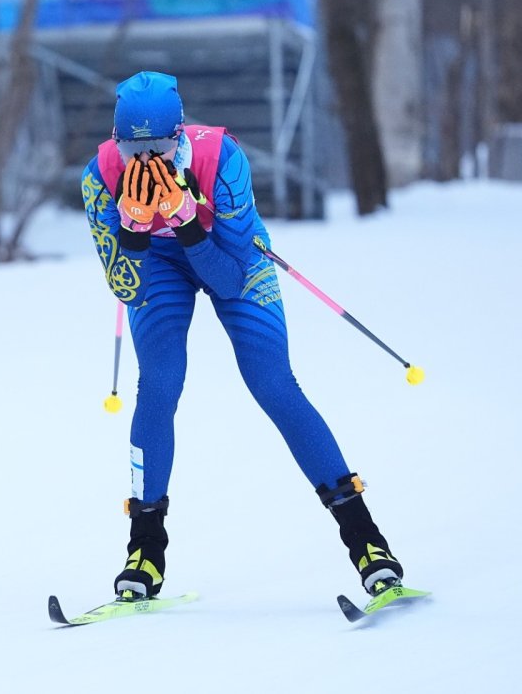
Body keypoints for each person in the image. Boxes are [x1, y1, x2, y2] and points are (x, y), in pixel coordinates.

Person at [80, 71, 404, 601]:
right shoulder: (100, 176)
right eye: (133, 149)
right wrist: (134, 234)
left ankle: (367, 542)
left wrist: (188, 223)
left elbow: (230, 280)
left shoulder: (221, 158)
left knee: (273, 383)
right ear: (116, 140)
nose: (146, 161)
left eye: (159, 147)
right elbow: (125, 287)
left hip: (228, 254)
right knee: (159, 385)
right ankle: (145, 553)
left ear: (179, 134)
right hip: (158, 263)